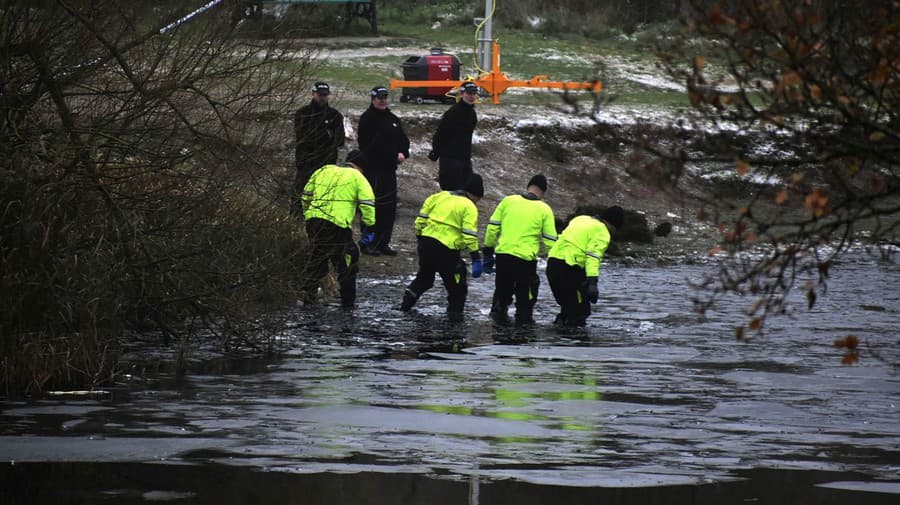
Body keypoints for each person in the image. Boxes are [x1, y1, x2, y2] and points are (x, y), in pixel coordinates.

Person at [399, 174, 485, 320]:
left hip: (426, 243)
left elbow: (420, 220)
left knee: (424, 279)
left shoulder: (439, 196)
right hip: (446, 251)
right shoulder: (469, 206)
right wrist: (475, 257)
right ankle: (454, 323)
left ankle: (404, 307)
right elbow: (469, 234)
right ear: (476, 195)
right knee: (457, 288)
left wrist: (420, 238)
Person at [300, 150, 375, 308]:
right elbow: (368, 204)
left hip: (314, 222)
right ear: (361, 168)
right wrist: (369, 226)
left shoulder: (324, 170)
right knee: (347, 259)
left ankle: (308, 296)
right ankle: (348, 303)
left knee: (317, 257)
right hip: (337, 224)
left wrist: (308, 214)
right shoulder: (357, 177)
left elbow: (306, 195)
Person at [483, 174, 558, 325]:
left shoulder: (508, 201)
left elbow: (492, 228)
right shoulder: (544, 209)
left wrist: (488, 250)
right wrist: (554, 260)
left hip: (503, 256)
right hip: (525, 261)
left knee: (501, 297)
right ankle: (522, 338)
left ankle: (497, 335)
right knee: (525, 303)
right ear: (543, 192)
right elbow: (550, 240)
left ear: (528, 186)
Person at [546, 205, 624, 327]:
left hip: (552, 264)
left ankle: (558, 337)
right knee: (580, 312)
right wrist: (593, 283)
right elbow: (593, 257)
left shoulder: (580, 219)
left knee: (568, 307)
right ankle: (574, 342)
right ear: (613, 225)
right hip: (568, 268)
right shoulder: (602, 232)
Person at [357, 86, 410, 256]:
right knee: (372, 207)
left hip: (389, 170)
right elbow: (368, 146)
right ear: (373, 99)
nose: (383, 100)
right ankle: (368, 242)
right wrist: (392, 154)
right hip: (373, 169)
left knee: (389, 208)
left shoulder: (393, 119)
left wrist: (403, 152)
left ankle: (383, 242)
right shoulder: (367, 119)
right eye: (380, 98)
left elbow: (404, 140)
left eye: (385, 97)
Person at [293, 82, 345, 214]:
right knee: (300, 197)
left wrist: (325, 138)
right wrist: (326, 135)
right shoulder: (302, 114)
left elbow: (339, 140)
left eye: (325, 95)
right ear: (313, 94)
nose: (323, 98)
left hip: (327, 165)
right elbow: (304, 138)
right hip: (306, 163)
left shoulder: (335, 116)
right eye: (320, 95)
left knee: (324, 198)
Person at [428, 81, 478, 191]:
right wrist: (435, 152)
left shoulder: (472, 114)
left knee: (465, 189)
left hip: (464, 158)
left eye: (474, 93)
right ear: (461, 94)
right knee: (451, 190)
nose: (472, 96)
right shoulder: (453, 112)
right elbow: (440, 134)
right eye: (469, 93)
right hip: (450, 158)